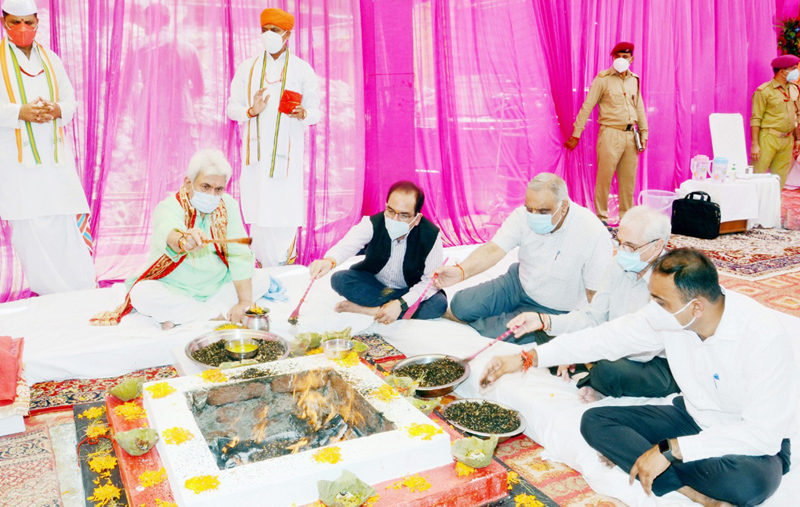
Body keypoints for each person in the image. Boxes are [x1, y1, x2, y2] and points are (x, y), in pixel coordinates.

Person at [482, 249, 796, 507]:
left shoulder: (763, 336)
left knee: (748, 484)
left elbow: (761, 435)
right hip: (692, 417)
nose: (652, 309)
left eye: (660, 302)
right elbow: (602, 339)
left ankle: (651, 460)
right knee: (595, 422)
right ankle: (691, 491)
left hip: (747, 441)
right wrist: (529, 357)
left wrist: (672, 450)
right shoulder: (670, 317)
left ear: (696, 307)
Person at [506, 205, 677, 402]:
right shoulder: (618, 265)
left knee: (609, 370)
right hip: (607, 343)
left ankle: (589, 373)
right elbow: (593, 316)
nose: (622, 251)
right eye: (620, 242)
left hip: (651, 361)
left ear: (657, 246)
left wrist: (580, 351)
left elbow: (640, 350)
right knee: (547, 332)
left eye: (631, 246)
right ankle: (587, 371)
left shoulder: (669, 280)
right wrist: (544, 320)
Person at [91, 150, 275, 329]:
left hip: (216, 286)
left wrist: (244, 301)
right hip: (175, 287)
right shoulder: (169, 206)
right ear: (188, 183)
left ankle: (184, 316)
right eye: (205, 187)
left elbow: (239, 253)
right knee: (142, 294)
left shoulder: (228, 205)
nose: (212, 195)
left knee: (262, 279)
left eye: (218, 189)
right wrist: (182, 240)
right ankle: (216, 316)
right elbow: (168, 229)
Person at [434, 173, 613, 344]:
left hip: (553, 308)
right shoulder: (522, 216)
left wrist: (585, 333)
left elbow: (595, 295)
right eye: (530, 209)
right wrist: (460, 272)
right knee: (460, 305)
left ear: (564, 206)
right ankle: (494, 316)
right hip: (516, 284)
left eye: (543, 211)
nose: (534, 216)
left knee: (492, 331)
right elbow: (493, 249)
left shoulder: (592, 233)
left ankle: (512, 324)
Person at [0, 0, 95, 295]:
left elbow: (70, 101)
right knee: (31, 231)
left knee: (66, 221)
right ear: (4, 22)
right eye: (15, 22)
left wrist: (56, 110)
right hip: (18, 164)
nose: (23, 29)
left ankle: (81, 290)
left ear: (38, 22)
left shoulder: (50, 58)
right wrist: (18, 113)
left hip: (55, 161)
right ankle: (51, 296)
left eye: (29, 22)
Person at [226, 7, 321, 267]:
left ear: (288, 34)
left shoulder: (302, 69)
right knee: (259, 209)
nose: (268, 35)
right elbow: (231, 107)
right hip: (256, 159)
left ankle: (282, 265)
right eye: (264, 30)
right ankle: (261, 265)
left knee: (284, 208)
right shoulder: (248, 67)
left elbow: (316, 112)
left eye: (275, 30)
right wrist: (250, 110)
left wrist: (303, 113)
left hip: (287, 160)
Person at [309, 181, 446, 323]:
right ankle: (390, 310)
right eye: (391, 211)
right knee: (339, 279)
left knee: (438, 304)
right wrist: (329, 261)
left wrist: (401, 303)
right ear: (386, 206)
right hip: (376, 285)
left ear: (417, 218)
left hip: (408, 290)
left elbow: (429, 281)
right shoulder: (373, 222)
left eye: (404, 215)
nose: (395, 219)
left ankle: (368, 310)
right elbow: (347, 245)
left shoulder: (431, 235)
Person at [565, 42, 648, 223]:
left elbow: (639, 107)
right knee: (604, 178)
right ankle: (601, 219)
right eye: (617, 56)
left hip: (630, 135)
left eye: (625, 57)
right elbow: (587, 106)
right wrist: (576, 134)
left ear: (631, 59)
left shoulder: (634, 80)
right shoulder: (603, 79)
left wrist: (643, 133)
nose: (621, 60)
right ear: (612, 58)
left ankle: (626, 220)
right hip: (610, 134)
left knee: (628, 182)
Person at [750, 54, 800, 189]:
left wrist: (797, 139)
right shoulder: (764, 91)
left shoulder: (794, 89)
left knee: (780, 178)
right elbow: (756, 119)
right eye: (793, 68)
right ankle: (754, 208)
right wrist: (755, 144)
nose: (797, 71)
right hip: (768, 138)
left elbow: (797, 115)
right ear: (783, 72)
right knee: (757, 176)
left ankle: (773, 209)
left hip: (787, 139)